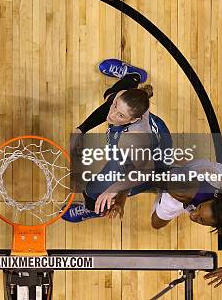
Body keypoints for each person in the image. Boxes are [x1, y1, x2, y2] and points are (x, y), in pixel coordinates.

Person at [99, 158, 222, 287]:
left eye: (201, 220)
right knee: (156, 223)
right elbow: (139, 172)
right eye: (197, 212)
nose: (193, 216)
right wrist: (122, 198)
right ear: (206, 201)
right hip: (189, 179)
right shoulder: (183, 189)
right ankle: (173, 168)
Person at [63, 63, 172, 222]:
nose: (112, 115)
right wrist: (81, 129)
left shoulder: (134, 139)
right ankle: (134, 75)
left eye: (120, 115)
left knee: (94, 192)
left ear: (134, 119)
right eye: (115, 107)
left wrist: (116, 192)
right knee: (110, 94)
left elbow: (143, 171)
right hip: (151, 138)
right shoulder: (128, 102)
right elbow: (110, 107)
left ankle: (93, 210)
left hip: (150, 168)